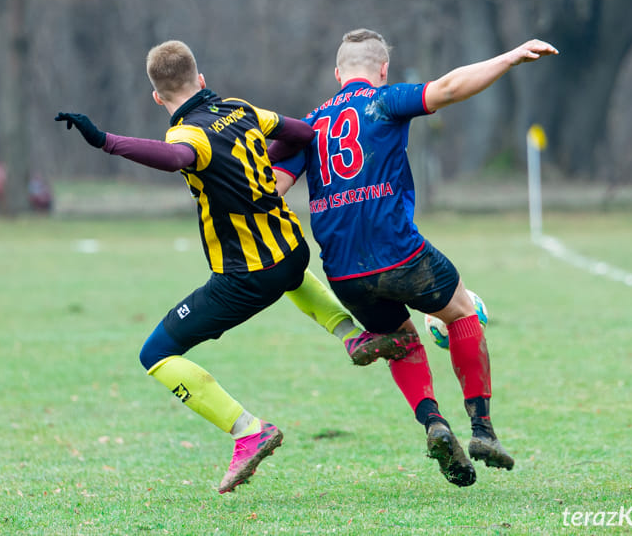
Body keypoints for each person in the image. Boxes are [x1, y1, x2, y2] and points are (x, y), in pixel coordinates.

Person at [55, 40, 409, 494]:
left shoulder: (187, 135)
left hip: (246, 278)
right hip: (291, 251)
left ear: (157, 98)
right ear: (201, 80)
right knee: (290, 275)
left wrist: (106, 141)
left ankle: (248, 431)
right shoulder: (241, 110)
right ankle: (350, 335)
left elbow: (176, 158)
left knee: (155, 354)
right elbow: (301, 133)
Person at [270, 29, 558, 487]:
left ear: (337, 73)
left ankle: (434, 424)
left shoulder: (307, 127)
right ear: (382, 70)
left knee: (400, 339)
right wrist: (509, 57)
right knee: (462, 309)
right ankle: (482, 429)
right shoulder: (384, 101)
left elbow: (271, 190)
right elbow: (447, 88)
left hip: (343, 271)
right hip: (398, 252)